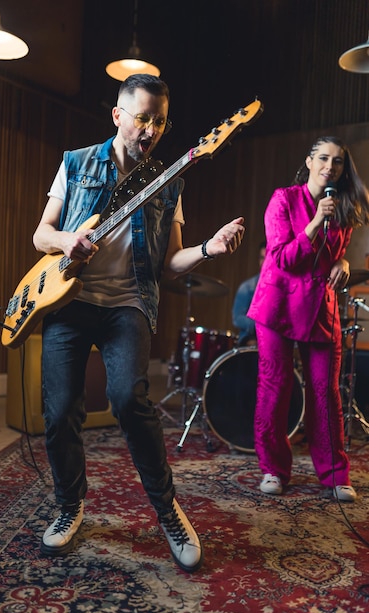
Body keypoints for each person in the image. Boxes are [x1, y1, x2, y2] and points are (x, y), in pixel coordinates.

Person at [32, 73, 245, 572]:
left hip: (128, 303)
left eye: (161, 121)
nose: (151, 129)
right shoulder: (75, 162)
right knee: (59, 411)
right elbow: (42, 234)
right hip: (69, 299)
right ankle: (70, 505)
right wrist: (67, 243)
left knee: (129, 397)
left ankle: (167, 509)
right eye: (143, 117)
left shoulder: (169, 183)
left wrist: (208, 249)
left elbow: (169, 264)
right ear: (118, 115)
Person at [247, 136, 369, 501]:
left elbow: (333, 256)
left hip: (319, 306)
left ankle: (334, 474)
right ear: (309, 161)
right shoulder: (283, 199)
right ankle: (273, 469)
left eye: (337, 161)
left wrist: (343, 262)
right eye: (323, 158)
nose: (330, 166)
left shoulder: (343, 208)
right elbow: (283, 258)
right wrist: (316, 221)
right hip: (278, 305)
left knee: (326, 393)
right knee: (276, 386)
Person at [232, 240, 266, 346]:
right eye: (261, 258)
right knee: (254, 344)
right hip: (250, 337)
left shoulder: (282, 286)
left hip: (274, 338)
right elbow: (237, 318)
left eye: (267, 258)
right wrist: (261, 326)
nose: (264, 262)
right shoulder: (247, 287)